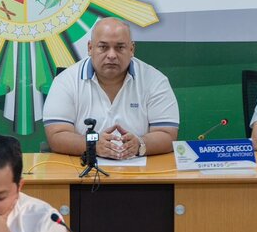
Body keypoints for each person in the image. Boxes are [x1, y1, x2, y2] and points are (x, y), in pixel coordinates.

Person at [41, 18, 179, 159]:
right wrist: (92, 146)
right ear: (90, 48)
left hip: (141, 175)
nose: (112, 55)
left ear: (131, 49)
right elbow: (56, 136)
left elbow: (167, 134)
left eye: (120, 47)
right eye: (103, 47)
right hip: (83, 175)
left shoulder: (155, 80)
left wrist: (140, 144)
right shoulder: (66, 80)